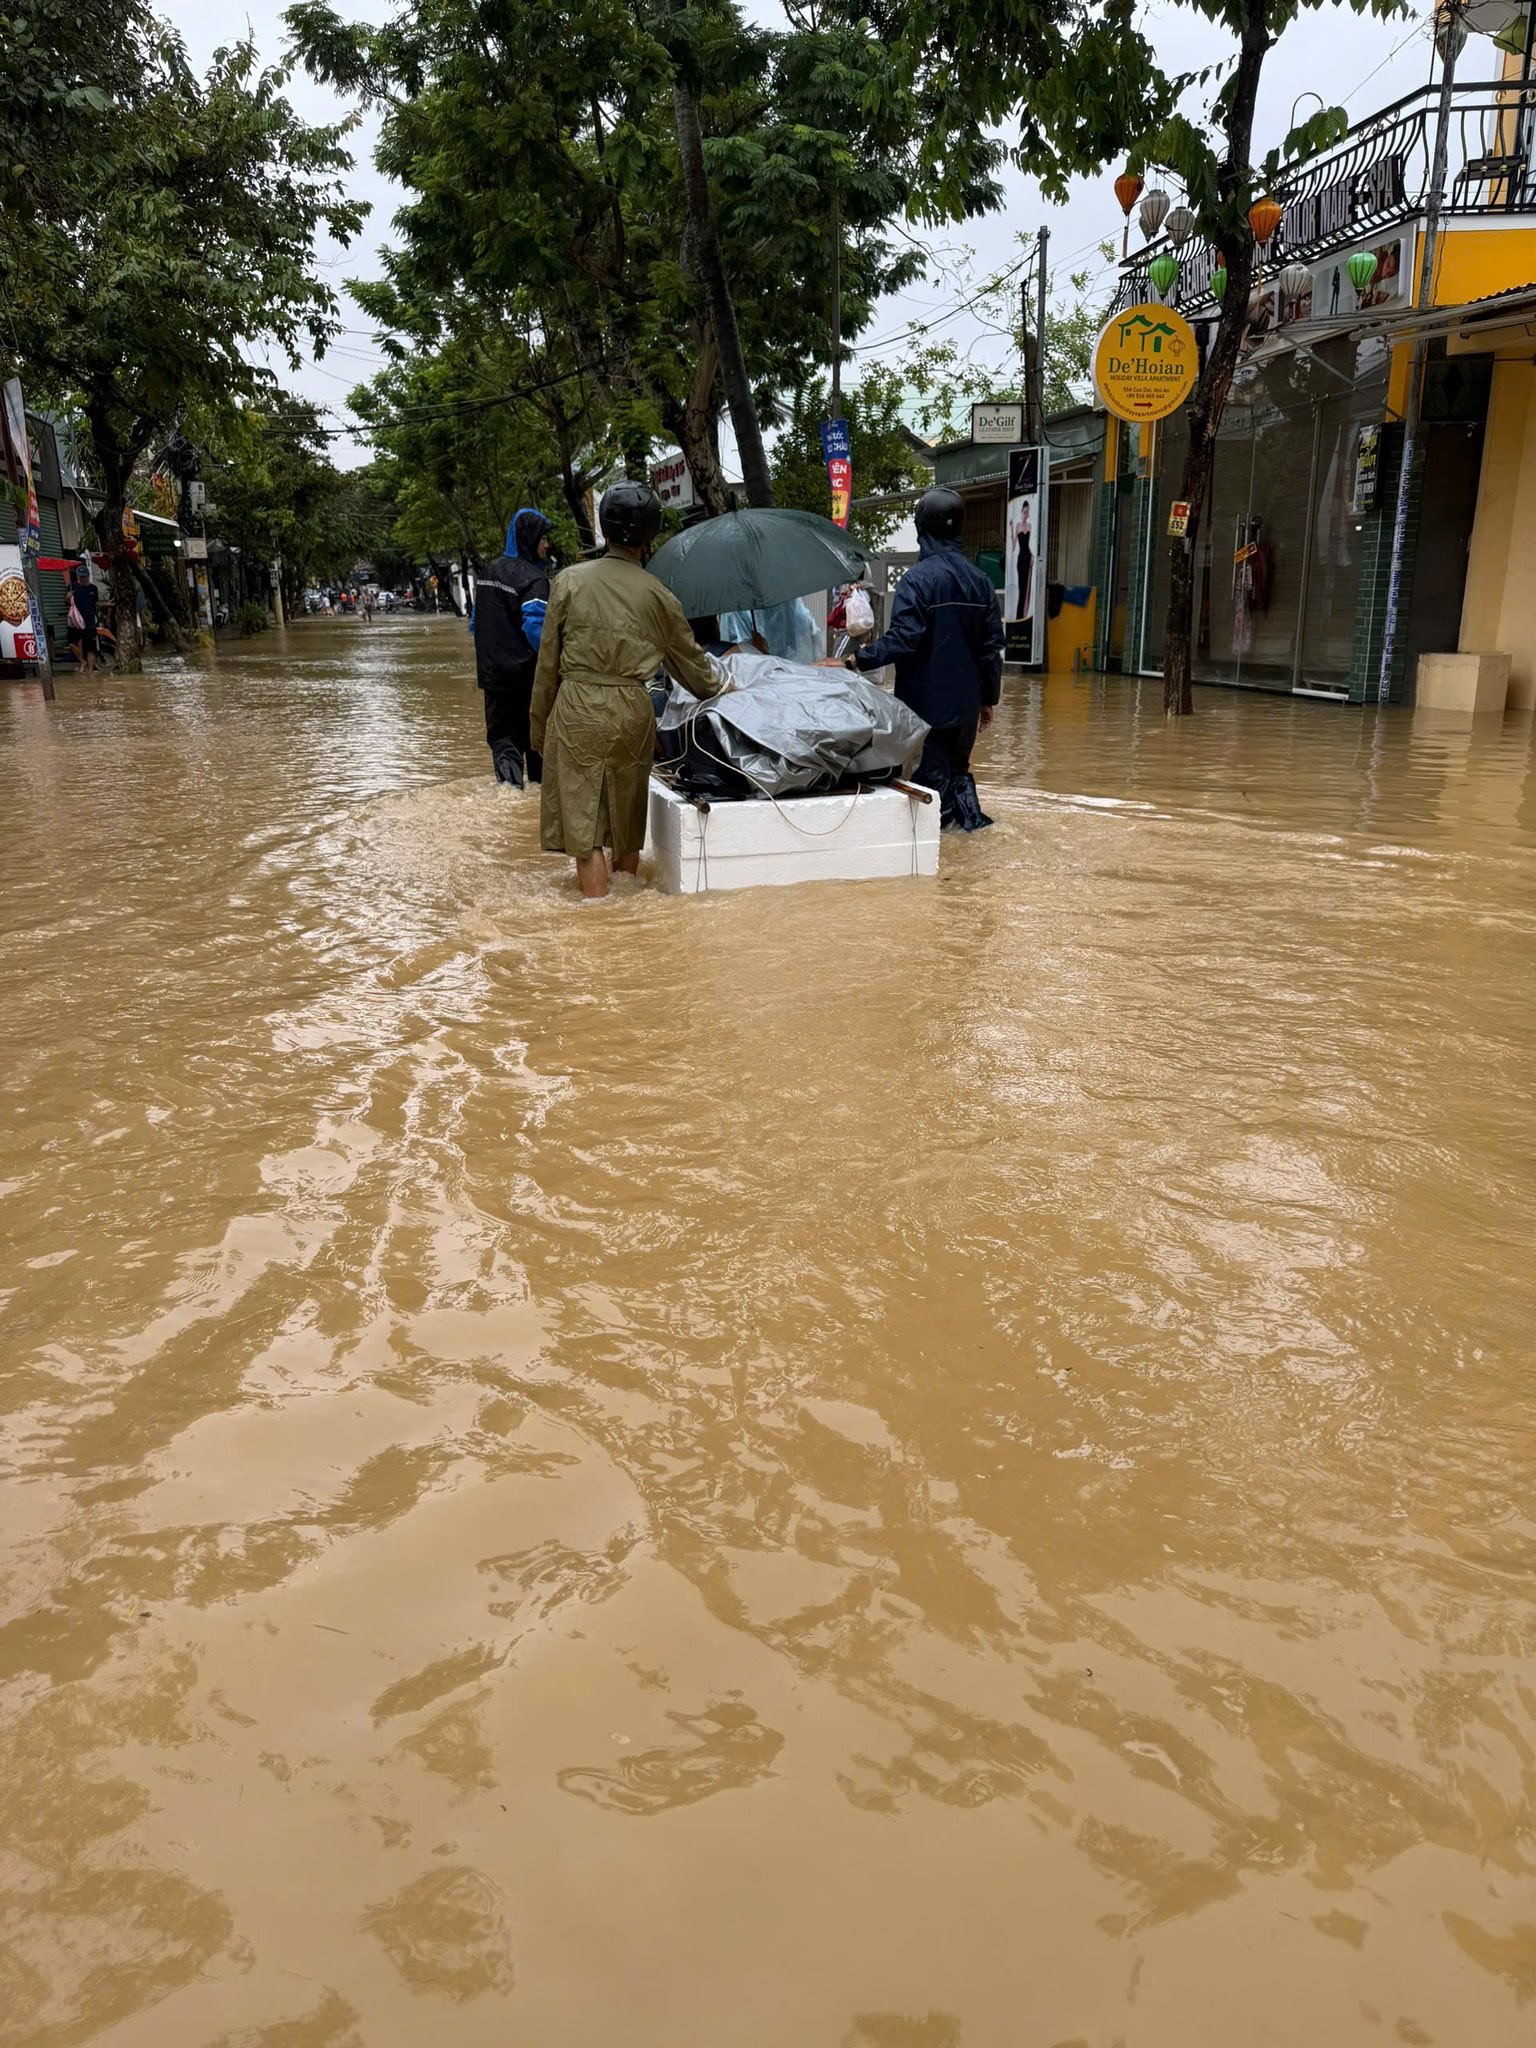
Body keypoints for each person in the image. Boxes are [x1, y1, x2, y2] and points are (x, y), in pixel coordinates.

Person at [531, 482, 730, 901]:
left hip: (578, 708)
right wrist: (731, 683)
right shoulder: (660, 596)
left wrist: (538, 728)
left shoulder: (568, 581)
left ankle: (600, 923)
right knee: (626, 820)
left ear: (603, 528)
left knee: (586, 831)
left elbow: (547, 665)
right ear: (650, 535)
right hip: (632, 712)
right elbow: (697, 673)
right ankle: (627, 909)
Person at [845, 486, 1003, 832]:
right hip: (965, 710)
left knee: (930, 789)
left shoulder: (916, 581)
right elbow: (990, 649)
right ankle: (976, 840)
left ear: (921, 529)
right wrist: (987, 699)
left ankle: (948, 868)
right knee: (958, 773)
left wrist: (854, 662)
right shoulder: (981, 582)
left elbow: (903, 639)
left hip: (925, 708)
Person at [473, 507, 553, 787]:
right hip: (527, 680)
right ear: (529, 538)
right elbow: (536, 628)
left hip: (493, 680)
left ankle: (510, 795)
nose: (546, 545)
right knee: (537, 745)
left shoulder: (487, 572)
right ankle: (535, 810)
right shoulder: (534, 578)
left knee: (504, 744)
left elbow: (475, 622)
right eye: (543, 538)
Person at [67, 566, 99, 675]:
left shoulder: (93, 589)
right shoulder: (72, 587)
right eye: (80, 577)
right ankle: (82, 661)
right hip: (75, 622)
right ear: (77, 576)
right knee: (71, 644)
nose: (82, 579)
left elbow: (95, 602)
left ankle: (90, 671)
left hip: (89, 622)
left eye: (84, 577)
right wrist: (68, 597)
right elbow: (67, 602)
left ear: (88, 576)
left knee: (90, 648)